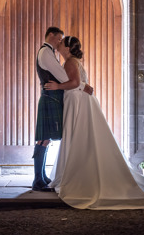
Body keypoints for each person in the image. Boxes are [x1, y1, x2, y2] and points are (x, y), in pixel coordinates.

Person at [44, 36, 144, 209]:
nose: (58, 45)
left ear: (67, 48)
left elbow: (74, 83)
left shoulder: (70, 63)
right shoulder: (74, 61)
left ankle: (73, 175)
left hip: (76, 102)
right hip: (80, 100)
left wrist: (57, 87)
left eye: (61, 43)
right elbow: (81, 83)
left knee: (75, 136)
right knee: (78, 137)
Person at [32, 27, 93, 192]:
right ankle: (38, 179)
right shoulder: (45, 52)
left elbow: (64, 77)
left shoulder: (49, 52)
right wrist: (82, 85)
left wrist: (75, 84)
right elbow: (64, 77)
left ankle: (42, 177)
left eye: (62, 40)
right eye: (59, 38)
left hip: (53, 97)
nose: (60, 42)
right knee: (43, 139)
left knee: (46, 139)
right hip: (50, 98)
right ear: (51, 35)